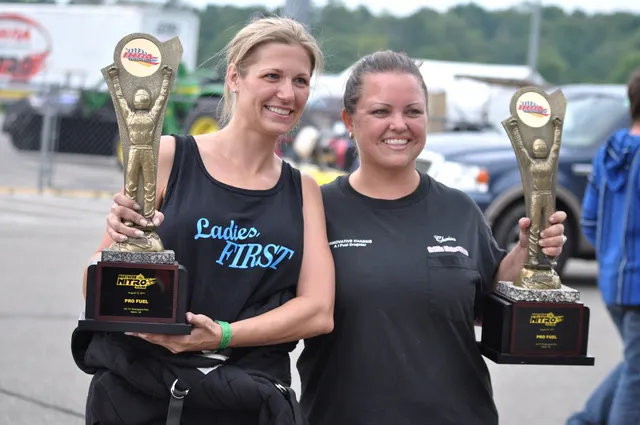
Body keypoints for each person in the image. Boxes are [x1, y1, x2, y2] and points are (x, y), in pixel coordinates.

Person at [71, 16, 335, 425]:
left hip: (245, 403)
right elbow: (94, 285)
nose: (287, 93)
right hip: (142, 397)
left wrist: (223, 334)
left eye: (300, 81)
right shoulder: (168, 157)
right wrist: (116, 251)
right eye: (272, 76)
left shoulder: (303, 191)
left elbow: (318, 311)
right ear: (234, 77)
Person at [295, 50, 568, 425]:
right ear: (349, 121)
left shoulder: (459, 209)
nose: (399, 125)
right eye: (381, 112)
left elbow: (487, 301)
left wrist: (527, 250)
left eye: (412, 112)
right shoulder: (317, 211)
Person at [566, 68, 640, 425]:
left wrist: (613, 258)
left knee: (635, 362)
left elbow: (590, 221)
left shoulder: (609, 151)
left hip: (613, 282)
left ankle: (583, 421)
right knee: (638, 375)